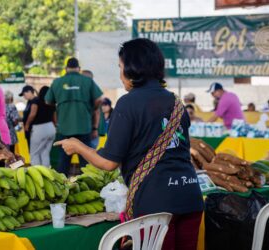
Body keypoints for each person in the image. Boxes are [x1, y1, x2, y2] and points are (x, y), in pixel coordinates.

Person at [55, 38, 204, 249]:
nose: (120, 73)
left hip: (156, 203)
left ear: (133, 68)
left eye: (120, 67)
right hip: (190, 196)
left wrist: (78, 146)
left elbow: (108, 163)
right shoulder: (176, 102)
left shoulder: (128, 103)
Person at [45, 58, 103, 175]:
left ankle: (62, 187)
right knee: (85, 162)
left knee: (63, 162)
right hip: (84, 127)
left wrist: (59, 104)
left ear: (66, 69)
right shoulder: (87, 81)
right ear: (79, 69)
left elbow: (47, 101)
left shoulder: (57, 82)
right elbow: (99, 99)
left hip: (64, 128)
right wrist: (92, 107)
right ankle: (87, 186)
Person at [20, 85, 56, 166]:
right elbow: (55, 119)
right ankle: (47, 174)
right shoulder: (52, 103)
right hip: (51, 127)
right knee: (45, 153)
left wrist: (27, 125)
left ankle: (36, 176)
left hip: (39, 128)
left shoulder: (36, 101)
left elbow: (33, 114)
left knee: (34, 154)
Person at [81, 69, 104, 148]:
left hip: (92, 131)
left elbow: (96, 112)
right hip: (91, 130)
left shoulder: (91, 92)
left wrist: (95, 129)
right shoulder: (94, 91)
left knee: (89, 155)